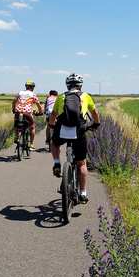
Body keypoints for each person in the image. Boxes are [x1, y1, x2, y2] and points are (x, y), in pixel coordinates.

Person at [48, 73, 100, 203]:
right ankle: (83, 192)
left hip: (62, 128)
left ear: (67, 85)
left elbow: (54, 114)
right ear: (80, 85)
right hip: (79, 130)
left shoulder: (61, 96)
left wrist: (51, 125)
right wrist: (96, 123)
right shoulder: (86, 96)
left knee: (54, 144)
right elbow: (95, 113)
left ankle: (56, 163)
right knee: (82, 163)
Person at [11, 79, 43, 147]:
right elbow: (38, 105)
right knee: (32, 127)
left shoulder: (20, 93)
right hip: (27, 113)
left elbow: (14, 101)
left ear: (26, 87)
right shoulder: (33, 94)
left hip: (18, 112)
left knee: (16, 125)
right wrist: (41, 112)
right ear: (33, 87)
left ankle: (16, 137)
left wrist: (13, 109)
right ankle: (31, 144)